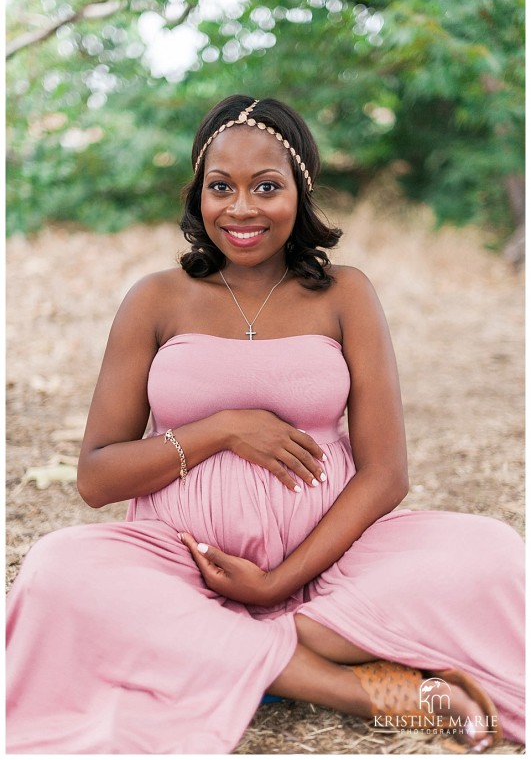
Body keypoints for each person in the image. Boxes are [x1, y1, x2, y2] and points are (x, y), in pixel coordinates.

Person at [6, 95, 524, 754]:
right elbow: (96, 475)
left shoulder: (345, 293)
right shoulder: (155, 299)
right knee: (56, 570)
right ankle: (373, 691)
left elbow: (386, 472)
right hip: (181, 567)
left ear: (300, 194)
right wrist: (218, 429)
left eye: (266, 187)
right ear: (198, 194)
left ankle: (221, 649)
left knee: (492, 552)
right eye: (220, 187)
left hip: (333, 565)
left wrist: (278, 581)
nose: (241, 208)